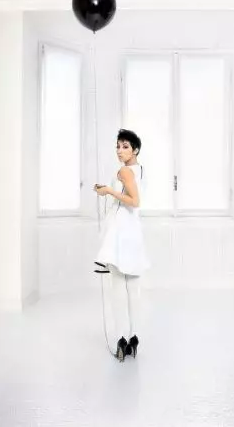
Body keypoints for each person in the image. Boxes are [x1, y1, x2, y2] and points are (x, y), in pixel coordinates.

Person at [94, 129, 150, 362]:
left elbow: (134, 201)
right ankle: (134, 337)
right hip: (133, 232)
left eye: (125, 146)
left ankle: (121, 339)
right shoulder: (140, 170)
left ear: (135, 150)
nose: (119, 150)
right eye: (118, 146)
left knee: (118, 288)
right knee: (133, 289)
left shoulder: (125, 171)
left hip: (121, 233)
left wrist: (108, 191)